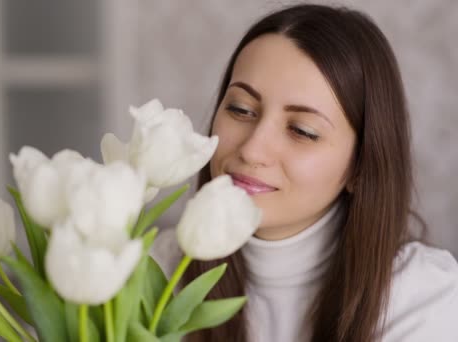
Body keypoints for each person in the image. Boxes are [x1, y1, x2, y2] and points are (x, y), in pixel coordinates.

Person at [150, 3, 458, 342]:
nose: (252, 150)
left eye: (302, 130)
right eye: (240, 109)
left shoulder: (424, 298)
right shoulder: (151, 274)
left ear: (360, 166)